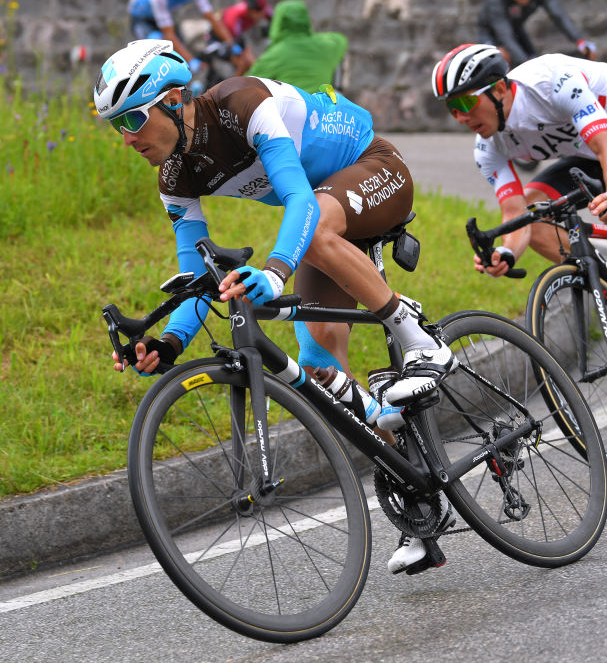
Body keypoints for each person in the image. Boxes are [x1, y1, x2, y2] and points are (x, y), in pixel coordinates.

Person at [96, 39, 459, 574]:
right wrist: (167, 342)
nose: (125, 138)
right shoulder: (174, 177)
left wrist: (275, 270)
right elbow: (200, 277)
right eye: (114, 125)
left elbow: (300, 201)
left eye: (130, 119)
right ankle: (418, 497)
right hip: (324, 214)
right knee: (320, 369)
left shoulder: (242, 103)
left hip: (374, 169)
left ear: (173, 99)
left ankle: (418, 338)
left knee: (312, 235)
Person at [431, 43, 607, 277]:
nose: (460, 117)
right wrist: (506, 253)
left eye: (465, 103)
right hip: (588, 154)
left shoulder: (553, 82)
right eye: (451, 109)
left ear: (499, 89)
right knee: (532, 214)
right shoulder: (487, 149)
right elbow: (513, 211)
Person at [245, 0, 348, 94]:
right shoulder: (328, 46)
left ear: (278, 22)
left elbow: (245, 85)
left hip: (291, 112)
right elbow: (341, 40)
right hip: (322, 110)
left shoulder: (276, 53)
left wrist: (248, 62)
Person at [476, 0, 597, 67]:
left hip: (516, 29)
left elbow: (559, 16)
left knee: (533, 59)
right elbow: (506, 37)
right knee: (501, 57)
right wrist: (526, 63)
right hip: (490, 33)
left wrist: (580, 41)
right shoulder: (497, 0)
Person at [126, 0, 235, 68]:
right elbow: (168, 34)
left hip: (164, 14)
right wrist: (191, 61)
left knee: (181, 56)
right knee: (160, 50)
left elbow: (212, 18)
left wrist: (232, 43)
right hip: (142, 20)